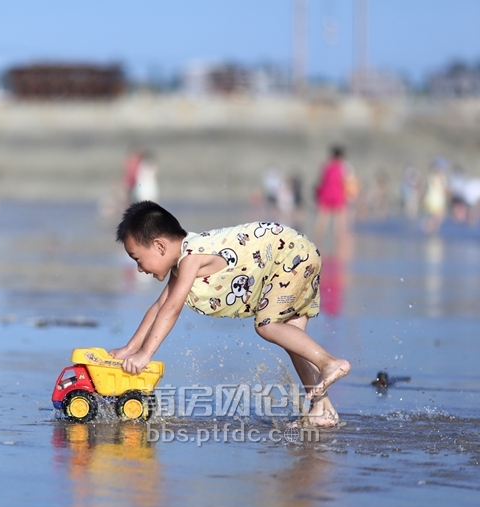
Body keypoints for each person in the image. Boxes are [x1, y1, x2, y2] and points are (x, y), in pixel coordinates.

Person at [110, 201, 351, 427]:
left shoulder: (192, 256)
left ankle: (328, 362)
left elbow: (172, 309)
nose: (139, 269)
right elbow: (158, 308)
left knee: (267, 326)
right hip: (293, 253)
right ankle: (322, 407)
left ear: (159, 245)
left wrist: (145, 355)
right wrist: (130, 349)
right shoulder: (184, 259)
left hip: (289, 256)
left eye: (138, 259)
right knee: (292, 338)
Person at [312, 146, 349, 251]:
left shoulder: (326, 166)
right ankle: (339, 241)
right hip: (338, 194)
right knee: (340, 219)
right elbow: (344, 181)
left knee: (322, 218)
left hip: (326, 193)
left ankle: (317, 239)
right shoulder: (342, 166)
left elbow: (321, 180)